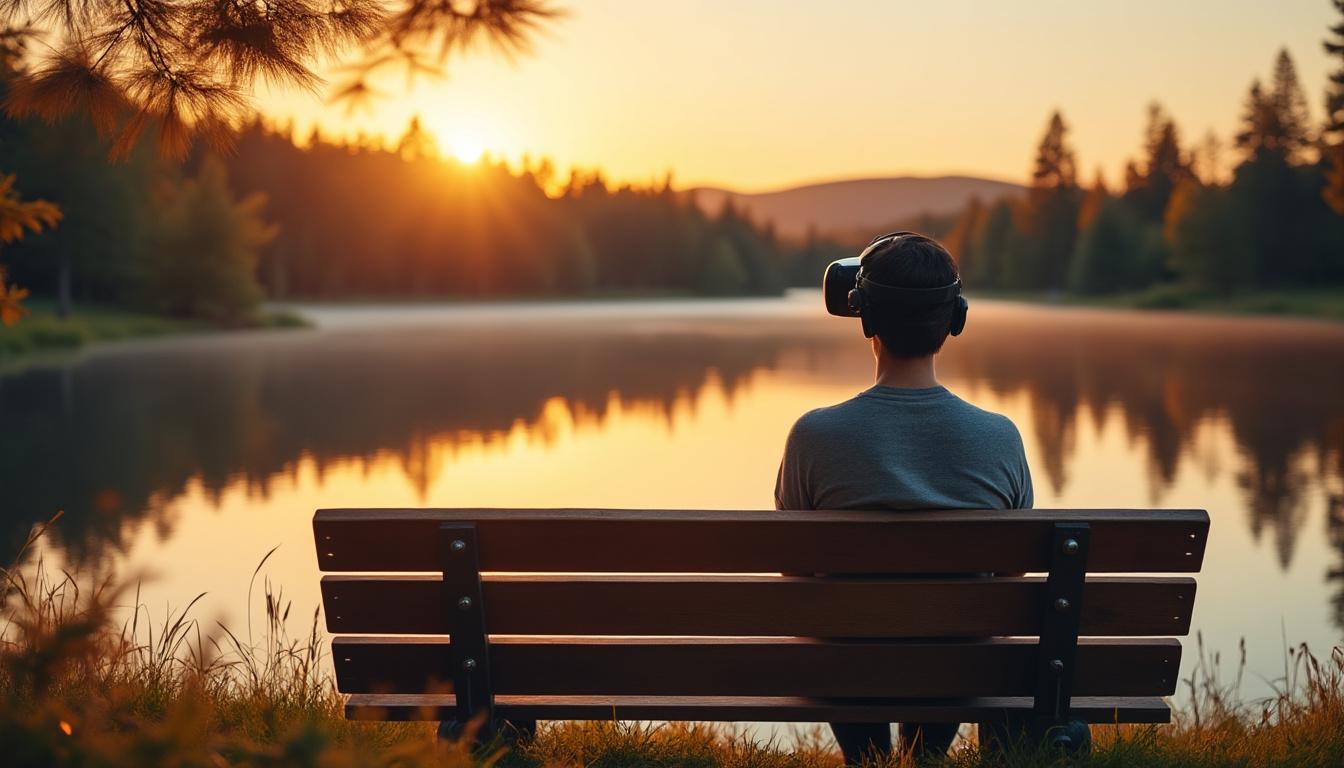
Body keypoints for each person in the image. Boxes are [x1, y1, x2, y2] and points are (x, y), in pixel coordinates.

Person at [773, 232, 1033, 765]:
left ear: (864, 319)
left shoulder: (815, 436)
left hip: (846, 669)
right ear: (954, 320)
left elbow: (795, 576)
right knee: (958, 635)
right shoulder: (999, 437)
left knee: (839, 630)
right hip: (958, 671)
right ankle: (924, 756)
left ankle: (867, 759)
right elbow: (1011, 581)